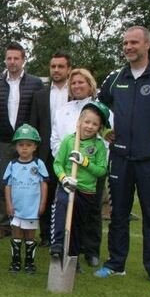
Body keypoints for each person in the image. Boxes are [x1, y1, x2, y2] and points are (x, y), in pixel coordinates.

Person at [96, 26, 150, 285]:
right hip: (120, 157)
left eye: (134, 42)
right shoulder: (115, 76)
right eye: (125, 43)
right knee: (118, 213)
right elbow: (97, 106)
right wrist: (105, 128)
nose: (128, 47)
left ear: (147, 45)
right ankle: (115, 263)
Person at [50, 68, 108, 266]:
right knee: (64, 212)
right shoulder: (64, 110)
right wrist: (65, 168)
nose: (76, 86)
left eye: (81, 82)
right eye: (73, 83)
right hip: (67, 172)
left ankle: (90, 251)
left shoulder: (101, 108)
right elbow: (56, 138)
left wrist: (85, 161)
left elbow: (107, 139)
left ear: (90, 84)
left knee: (89, 216)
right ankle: (62, 248)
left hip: (89, 176)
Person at [0, 42, 43, 239]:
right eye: (9, 58)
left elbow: (37, 112)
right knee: (5, 184)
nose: (12, 62)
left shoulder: (35, 83)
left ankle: (28, 222)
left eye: (16, 58)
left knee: (27, 183)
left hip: (26, 142)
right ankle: (5, 225)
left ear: (23, 59)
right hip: (3, 141)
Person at [29, 52, 72, 247]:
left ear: (68, 69)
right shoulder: (40, 95)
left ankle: (74, 239)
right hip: (46, 154)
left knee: (72, 197)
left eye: (60, 66)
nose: (56, 70)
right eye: (53, 66)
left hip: (72, 154)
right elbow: (34, 126)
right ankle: (47, 236)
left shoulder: (76, 92)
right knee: (47, 193)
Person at [2, 124, 48, 274]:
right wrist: (8, 204)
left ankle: (29, 263)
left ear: (35, 146)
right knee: (16, 234)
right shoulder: (12, 164)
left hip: (32, 208)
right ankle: (15, 262)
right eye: (21, 145)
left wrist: (42, 204)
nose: (24, 148)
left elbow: (44, 185)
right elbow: (7, 185)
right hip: (16, 208)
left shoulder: (38, 164)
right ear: (16, 146)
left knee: (30, 235)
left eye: (28, 145)